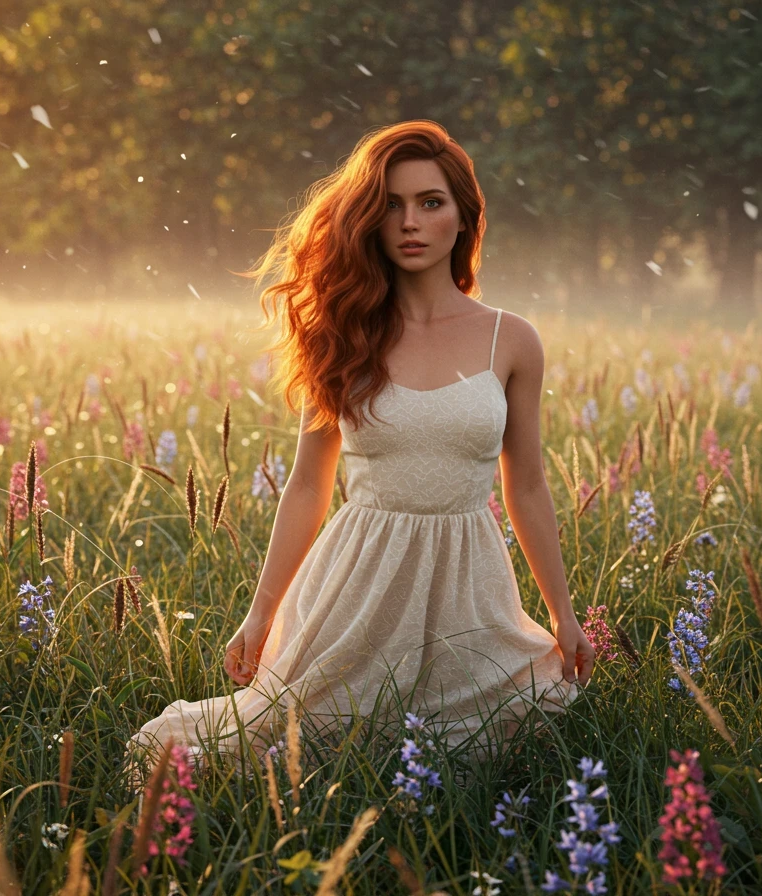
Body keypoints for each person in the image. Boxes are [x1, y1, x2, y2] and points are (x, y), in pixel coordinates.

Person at [126, 120, 595, 784]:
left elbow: (527, 488)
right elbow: (308, 488)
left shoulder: (511, 340)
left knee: (500, 746)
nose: (410, 222)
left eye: (431, 203)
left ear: (464, 217)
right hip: (359, 582)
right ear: (371, 220)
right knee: (302, 751)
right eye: (392, 205)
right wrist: (260, 615)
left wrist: (562, 614)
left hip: (469, 584)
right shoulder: (343, 334)